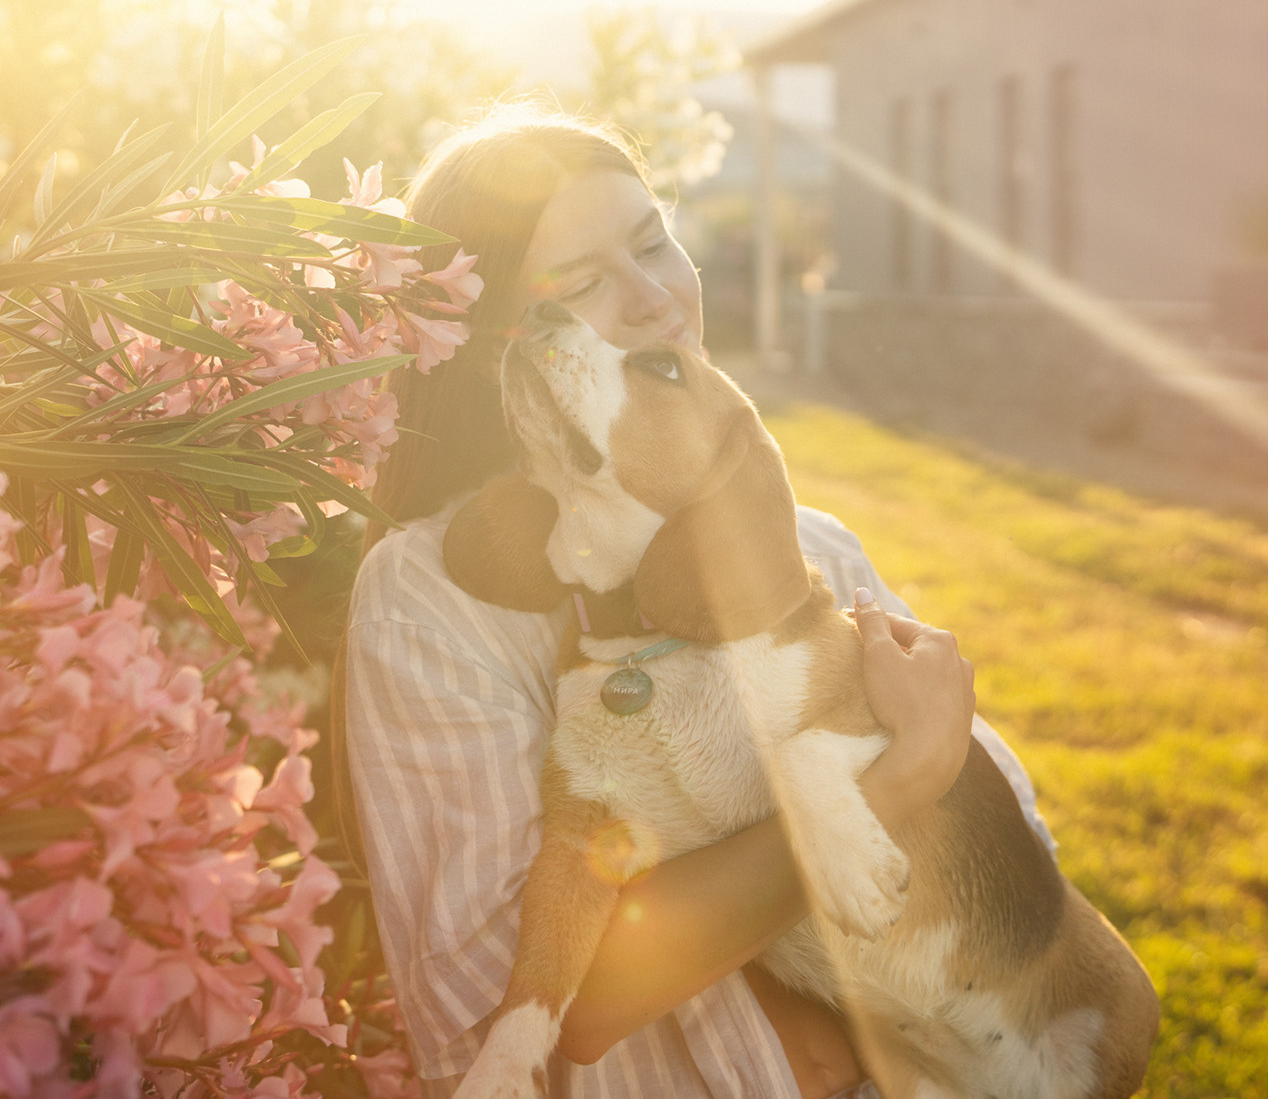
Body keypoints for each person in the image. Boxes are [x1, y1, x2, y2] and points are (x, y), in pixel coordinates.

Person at [334, 107, 1056, 1098]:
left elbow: (1012, 847)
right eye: (579, 284)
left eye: (651, 243)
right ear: (491, 348)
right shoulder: (426, 605)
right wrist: (894, 779)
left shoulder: (809, 545)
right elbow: (497, 1000)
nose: (652, 301)